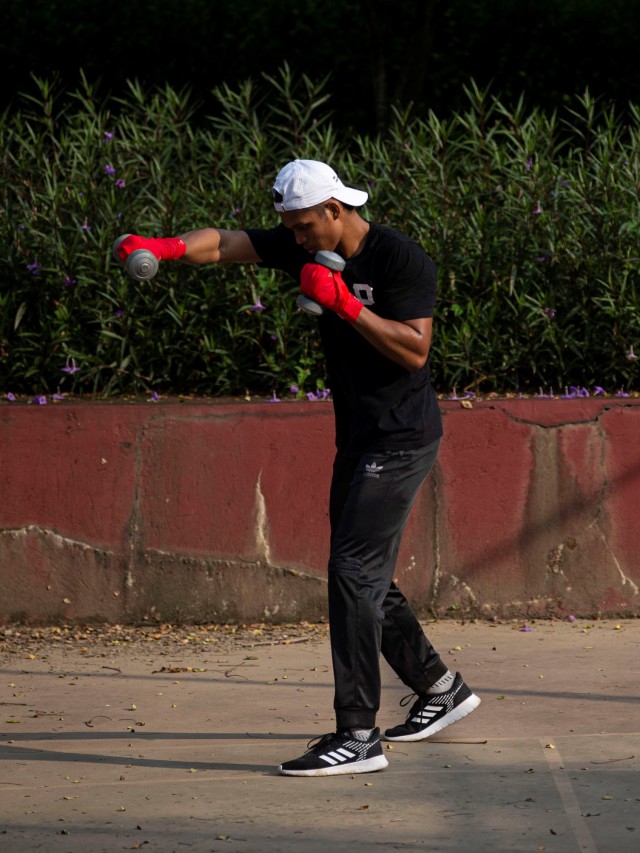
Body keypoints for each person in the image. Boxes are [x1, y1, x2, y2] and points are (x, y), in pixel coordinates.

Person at [115, 159, 481, 777]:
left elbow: (416, 351)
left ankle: (358, 735)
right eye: (290, 228)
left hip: (400, 436)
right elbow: (228, 244)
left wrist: (343, 303)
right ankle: (440, 689)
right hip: (362, 437)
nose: (298, 239)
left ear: (335, 210)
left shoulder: (399, 259)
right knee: (363, 574)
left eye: (306, 226)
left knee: (352, 572)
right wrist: (168, 247)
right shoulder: (301, 243)